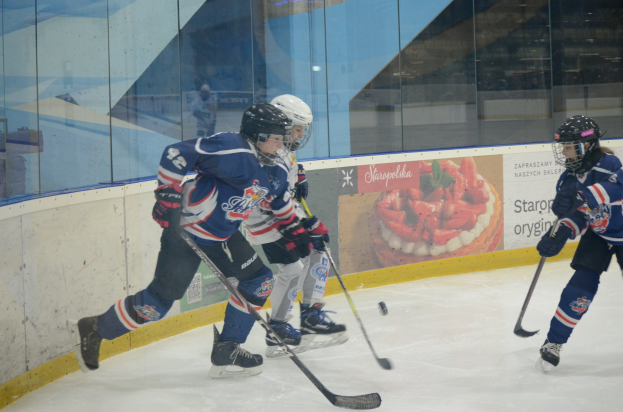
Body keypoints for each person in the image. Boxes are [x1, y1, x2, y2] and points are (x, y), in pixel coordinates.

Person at [69, 103, 313, 379]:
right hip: (186, 231)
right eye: (276, 138)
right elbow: (177, 153)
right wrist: (167, 191)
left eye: (284, 139)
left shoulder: (276, 167)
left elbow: (278, 200)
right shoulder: (233, 148)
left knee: (260, 280)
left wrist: (295, 229)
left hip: (223, 235)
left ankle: (228, 349)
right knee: (157, 305)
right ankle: (96, 328)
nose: (281, 145)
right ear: (257, 135)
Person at [244, 95, 347, 358]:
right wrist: (304, 223)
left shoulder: (282, 147)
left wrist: (297, 172)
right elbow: (273, 199)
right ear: (283, 125)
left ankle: (311, 314)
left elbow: (285, 179)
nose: (301, 135)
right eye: (297, 129)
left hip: (281, 214)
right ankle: (277, 326)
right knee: (292, 269)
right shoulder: (270, 152)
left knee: (319, 251)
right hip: (267, 220)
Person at [535, 115, 623, 371]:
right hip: (599, 234)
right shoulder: (567, 179)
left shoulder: (610, 164)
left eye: (568, 145)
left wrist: (583, 195)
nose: (563, 151)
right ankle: (554, 343)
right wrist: (561, 232)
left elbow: (617, 189)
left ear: (587, 145)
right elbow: (578, 216)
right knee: (580, 286)